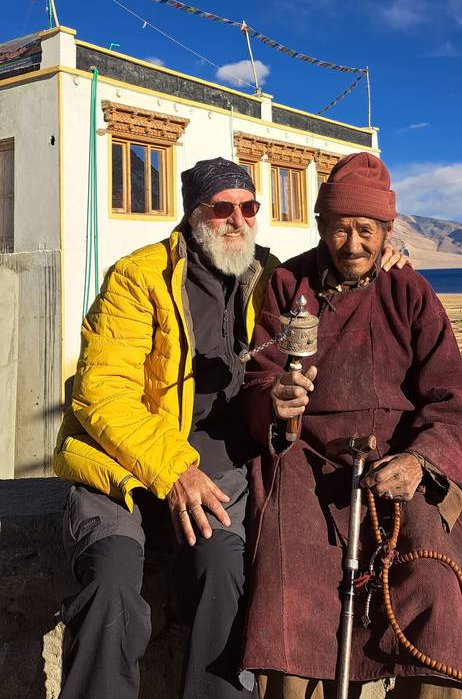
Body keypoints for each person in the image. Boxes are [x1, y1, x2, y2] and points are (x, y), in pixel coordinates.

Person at [54, 155, 407, 699]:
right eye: (222, 208)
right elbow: (104, 393)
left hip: (218, 464)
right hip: (120, 464)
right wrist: (175, 470)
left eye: (249, 207)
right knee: (111, 580)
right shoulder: (138, 277)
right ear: (195, 213)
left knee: (224, 569)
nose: (238, 220)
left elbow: (337, 278)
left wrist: (386, 258)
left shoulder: (267, 274)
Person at [241, 153, 462, 699]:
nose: (353, 245)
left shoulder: (408, 291)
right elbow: (261, 374)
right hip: (306, 462)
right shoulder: (287, 284)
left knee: (434, 581)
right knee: (287, 590)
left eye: (366, 230)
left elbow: (450, 397)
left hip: (401, 461)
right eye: (341, 229)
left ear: (387, 231)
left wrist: (421, 461)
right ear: (321, 225)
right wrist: (276, 400)